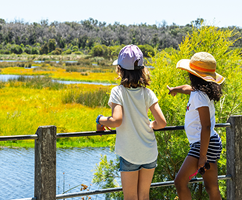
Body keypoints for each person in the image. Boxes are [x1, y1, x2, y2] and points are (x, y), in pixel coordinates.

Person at [96, 44, 167, 200]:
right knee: (144, 196)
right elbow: (161, 123)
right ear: (142, 70)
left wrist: (100, 119)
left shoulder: (118, 92)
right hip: (149, 152)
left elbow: (116, 120)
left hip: (130, 153)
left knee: (130, 198)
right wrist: (150, 124)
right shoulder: (147, 93)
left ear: (120, 70)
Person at [167, 52, 225, 200]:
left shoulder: (199, 95)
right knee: (211, 186)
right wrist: (175, 89)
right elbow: (187, 88)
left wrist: (202, 156)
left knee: (180, 182)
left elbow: (206, 126)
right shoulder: (199, 91)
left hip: (204, 144)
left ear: (193, 74)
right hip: (210, 142)